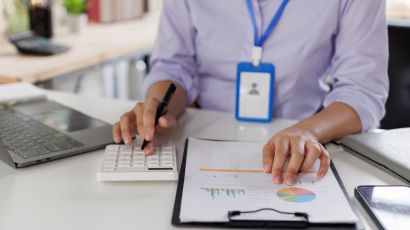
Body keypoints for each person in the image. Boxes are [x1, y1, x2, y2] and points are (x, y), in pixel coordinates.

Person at [112, 0, 389, 186]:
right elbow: (173, 66)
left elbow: (362, 90)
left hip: (305, 139)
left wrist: (308, 131)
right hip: (201, 136)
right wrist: (159, 106)